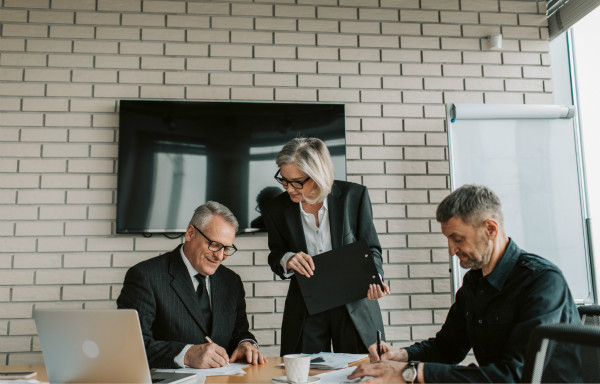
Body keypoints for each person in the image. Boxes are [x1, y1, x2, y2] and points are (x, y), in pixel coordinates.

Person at [348, 184, 580, 383]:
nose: (451, 250)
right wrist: (403, 356)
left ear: (490, 229)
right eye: (449, 240)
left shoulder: (543, 281)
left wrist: (411, 373)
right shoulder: (474, 282)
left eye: (458, 239)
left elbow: (516, 376)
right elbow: (447, 347)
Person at [262, 137, 390, 356]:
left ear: (317, 175)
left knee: (361, 373)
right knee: (303, 375)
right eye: (284, 180)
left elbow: (372, 248)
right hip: (306, 306)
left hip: (355, 304)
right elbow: (276, 254)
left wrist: (374, 277)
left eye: (297, 182)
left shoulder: (354, 196)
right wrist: (287, 259)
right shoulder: (275, 209)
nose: (289, 188)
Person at [117, 201, 267, 368]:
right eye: (215, 245)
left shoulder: (232, 282)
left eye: (226, 248)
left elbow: (240, 333)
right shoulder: (145, 277)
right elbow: (130, 346)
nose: (220, 256)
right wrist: (187, 355)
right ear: (190, 234)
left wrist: (245, 343)